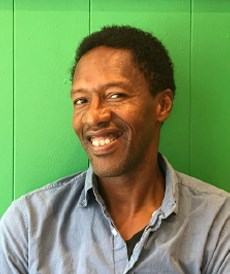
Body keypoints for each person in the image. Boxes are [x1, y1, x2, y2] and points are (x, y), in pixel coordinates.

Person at [0, 25, 229, 274]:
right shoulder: (27, 225)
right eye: (81, 100)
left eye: (116, 95)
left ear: (162, 105)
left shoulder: (217, 223)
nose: (93, 116)